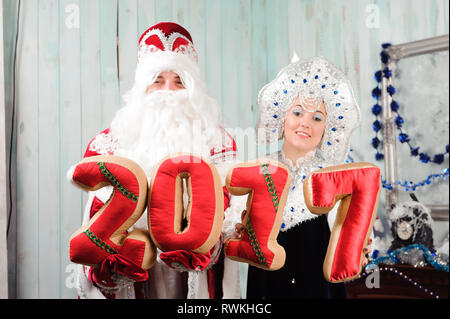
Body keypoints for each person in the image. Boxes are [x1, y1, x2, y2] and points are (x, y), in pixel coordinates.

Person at [74, 22, 244, 299]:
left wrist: (205, 242)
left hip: (194, 270)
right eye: (158, 80)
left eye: (179, 81)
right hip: (134, 267)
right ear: (142, 86)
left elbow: (230, 210)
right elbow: (95, 217)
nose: (169, 90)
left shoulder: (217, 142)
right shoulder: (109, 143)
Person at [234, 56, 371, 298]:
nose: (305, 123)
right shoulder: (260, 170)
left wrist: (360, 247)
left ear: (327, 127)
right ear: (282, 117)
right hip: (268, 286)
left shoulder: (336, 177)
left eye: (317, 117)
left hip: (318, 288)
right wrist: (237, 228)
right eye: (297, 112)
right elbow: (235, 225)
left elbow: (353, 235)